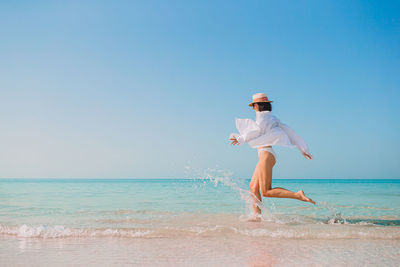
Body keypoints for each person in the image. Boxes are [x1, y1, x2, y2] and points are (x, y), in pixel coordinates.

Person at [229, 93, 316, 217]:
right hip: (267, 154)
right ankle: (257, 218)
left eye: (253, 105)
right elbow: (290, 132)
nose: (253, 108)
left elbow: (255, 131)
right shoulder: (273, 119)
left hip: (266, 154)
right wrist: (303, 149)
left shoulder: (262, 119)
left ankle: (298, 195)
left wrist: (240, 138)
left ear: (258, 105)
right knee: (253, 187)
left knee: (266, 191)